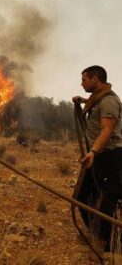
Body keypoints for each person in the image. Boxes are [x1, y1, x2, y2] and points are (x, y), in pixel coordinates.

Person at [72, 65, 122, 251]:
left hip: (109, 156)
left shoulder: (109, 101)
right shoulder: (98, 99)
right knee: (83, 197)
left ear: (96, 79)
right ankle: (99, 234)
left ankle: (111, 247)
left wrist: (92, 152)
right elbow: (96, 106)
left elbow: (107, 131)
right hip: (99, 155)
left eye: (84, 79)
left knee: (109, 201)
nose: (81, 83)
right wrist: (82, 100)